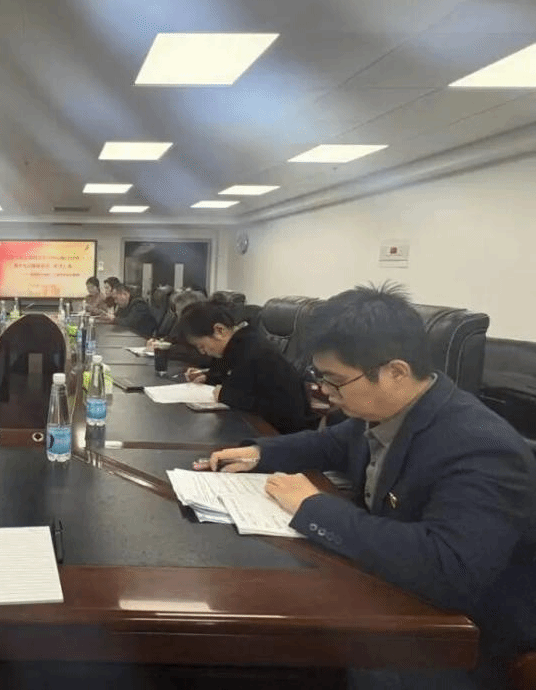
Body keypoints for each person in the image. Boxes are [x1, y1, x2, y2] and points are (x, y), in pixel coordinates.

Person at [198, 284, 536, 689]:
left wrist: (314, 507)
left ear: (396, 372)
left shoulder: (481, 447)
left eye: (336, 382)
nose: (325, 392)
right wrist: (259, 453)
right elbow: (331, 444)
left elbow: (450, 569)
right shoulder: (389, 409)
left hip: (462, 639)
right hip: (391, 593)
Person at [179, 296, 312, 433]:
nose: (202, 352)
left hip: (281, 431)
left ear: (220, 330)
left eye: (201, 346)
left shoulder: (253, 351)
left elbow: (272, 405)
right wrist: (208, 377)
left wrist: (225, 395)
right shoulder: (236, 345)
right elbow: (233, 380)